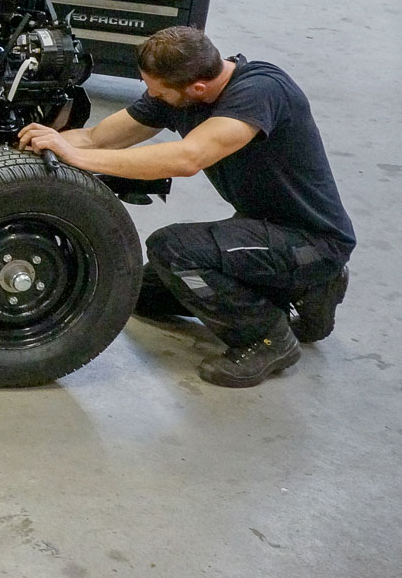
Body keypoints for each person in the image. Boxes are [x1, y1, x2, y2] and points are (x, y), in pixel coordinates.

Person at [18, 25, 354, 388]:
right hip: (262, 228)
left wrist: (79, 159)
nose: (152, 96)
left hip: (311, 241)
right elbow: (96, 139)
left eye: (159, 91)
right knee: (138, 294)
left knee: (175, 251)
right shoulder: (179, 92)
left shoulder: (259, 92)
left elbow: (188, 157)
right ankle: (294, 289)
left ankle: (267, 337)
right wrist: (25, 151)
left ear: (197, 89)